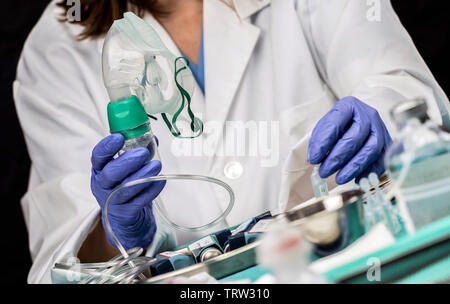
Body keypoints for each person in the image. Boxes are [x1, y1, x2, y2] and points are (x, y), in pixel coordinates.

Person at [14, 0, 449, 283]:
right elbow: (67, 258)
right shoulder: (57, 44)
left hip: (350, 266)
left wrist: (387, 120)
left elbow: (400, 86)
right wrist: (115, 230)